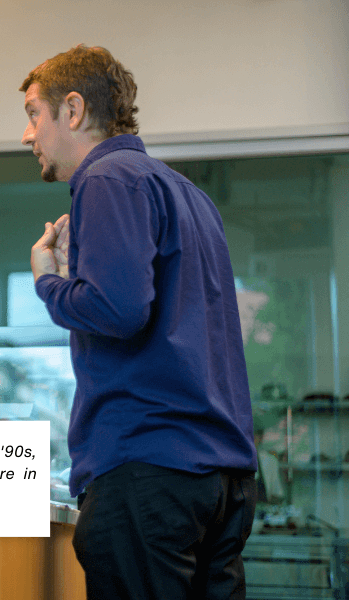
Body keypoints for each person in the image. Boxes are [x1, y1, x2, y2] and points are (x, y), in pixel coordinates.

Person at [21, 45, 258, 599]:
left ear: (72, 110)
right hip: (222, 482)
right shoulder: (188, 195)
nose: (27, 135)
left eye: (34, 113)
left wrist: (49, 281)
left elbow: (118, 310)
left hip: (148, 474)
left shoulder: (107, 179)